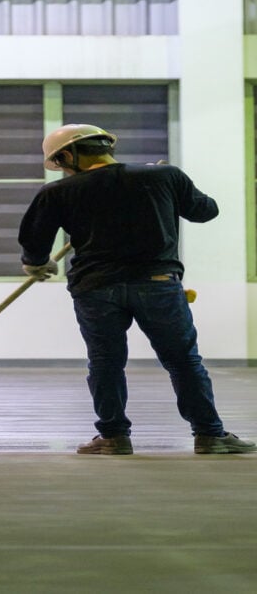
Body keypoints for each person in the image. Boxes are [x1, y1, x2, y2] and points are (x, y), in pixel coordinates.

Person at [18, 124, 256, 455]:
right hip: (158, 284)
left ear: (69, 155)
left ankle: (113, 437)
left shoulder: (58, 193)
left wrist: (38, 264)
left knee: (105, 361)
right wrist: (172, 187)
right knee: (183, 360)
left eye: (61, 163)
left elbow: (34, 244)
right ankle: (210, 435)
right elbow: (206, 211)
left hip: (95, 288)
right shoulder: (163, 177)